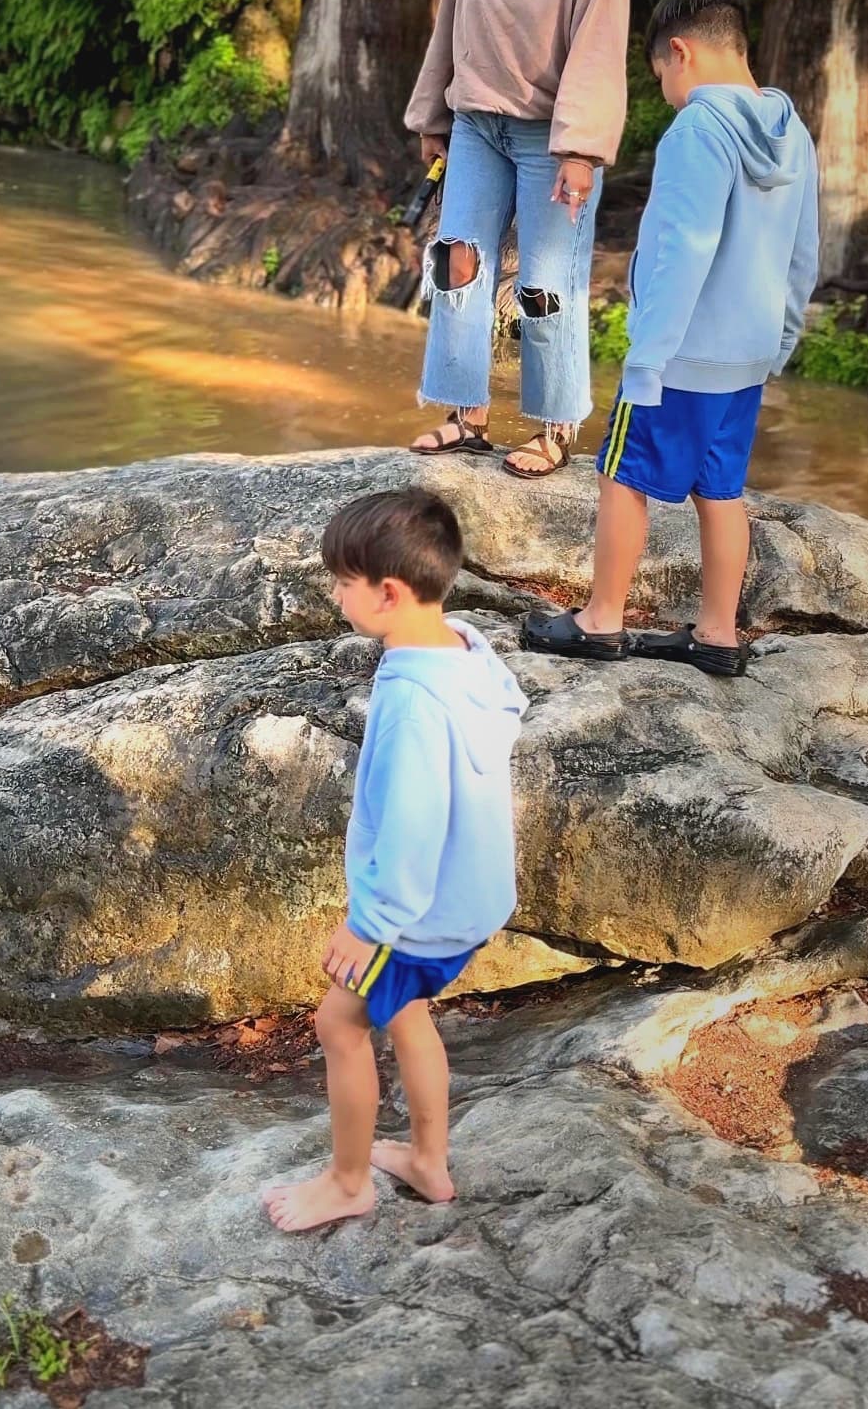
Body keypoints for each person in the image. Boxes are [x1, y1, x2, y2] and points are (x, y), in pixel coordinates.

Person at [524, 0, 820, 678]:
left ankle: (601, 620)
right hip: (745, 356)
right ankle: (717, 634)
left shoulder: (697, 130)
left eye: (660, 76)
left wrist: (647, 357)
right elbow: (805, 250)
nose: (666, 90)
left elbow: (685, 247)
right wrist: (781, 341)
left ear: (680, 53)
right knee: (720, 489)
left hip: (682, 354)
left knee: (622, 476)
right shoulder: (792, 130)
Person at [263, 488, 524, 1233]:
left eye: (342, 583)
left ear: (387, 593)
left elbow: (412, 828)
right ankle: (428, 1160)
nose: (335, 594)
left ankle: (348, 1182)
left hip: (416, 913)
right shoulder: (465, 649)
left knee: (339, 1028)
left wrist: (371, 924)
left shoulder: (413, 704)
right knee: (407, 1014)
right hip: (469, 899)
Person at [406, 0, 630, 479]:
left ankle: (555, 429)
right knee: (456, 265)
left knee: (543, 281)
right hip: (476, 125)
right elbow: (450, 21)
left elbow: (600, 39)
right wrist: (431, 112)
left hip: (548, 138)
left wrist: (581, 150)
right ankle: (464, 417)